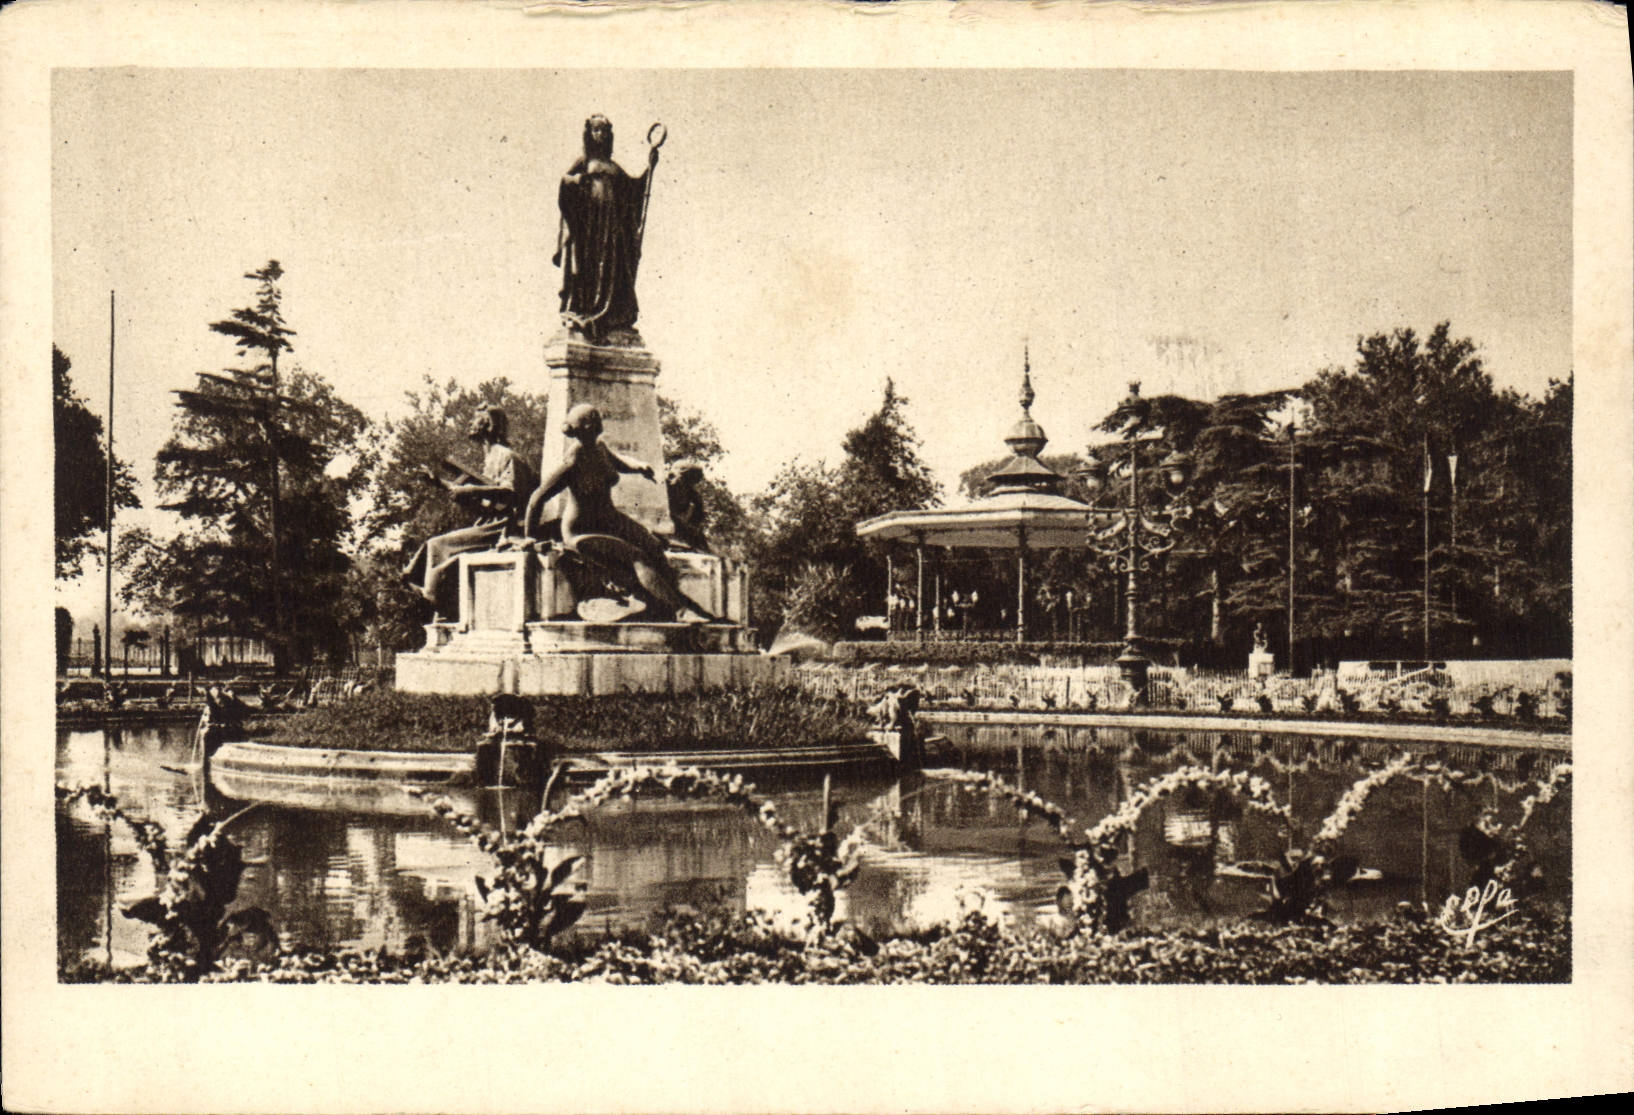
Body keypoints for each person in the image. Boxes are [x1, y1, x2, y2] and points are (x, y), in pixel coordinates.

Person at [526, 404, 714, 623]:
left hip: (609, 519)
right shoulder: (573, 461)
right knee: (636, 556)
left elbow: (619, 461)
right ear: (584, 427)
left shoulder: (599, 448)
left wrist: (639, 466)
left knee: (654, 545)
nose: (599, 424)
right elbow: (536, 499)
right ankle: (679, 611)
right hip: (582, 530)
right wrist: (528, 538)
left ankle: (665, 601)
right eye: (593, 421)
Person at [402, 406, 537, 620]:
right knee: (434, 546)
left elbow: (510, 493)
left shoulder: (507, 456)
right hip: (487, 522)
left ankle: (436, 600)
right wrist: (438, 482)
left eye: (476, 420)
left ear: (488, 425)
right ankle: (439, 603)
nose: (470, 424)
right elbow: (483, 503)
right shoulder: (490, 456)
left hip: (504, 526)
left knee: (437, 545)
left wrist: (470, 490)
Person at [554, 115, 658, 342]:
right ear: (589, 134)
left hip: (611, 229)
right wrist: (577, 180)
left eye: (604, 131)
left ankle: (610, 315)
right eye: (596, 130)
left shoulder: (613, 167)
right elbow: (565, 181)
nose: (600, 135)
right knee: (588, 267)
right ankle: (584, 309)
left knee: (612, 269)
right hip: (589, 226)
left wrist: (649, 170)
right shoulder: (584, 160)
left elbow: (633, 190)